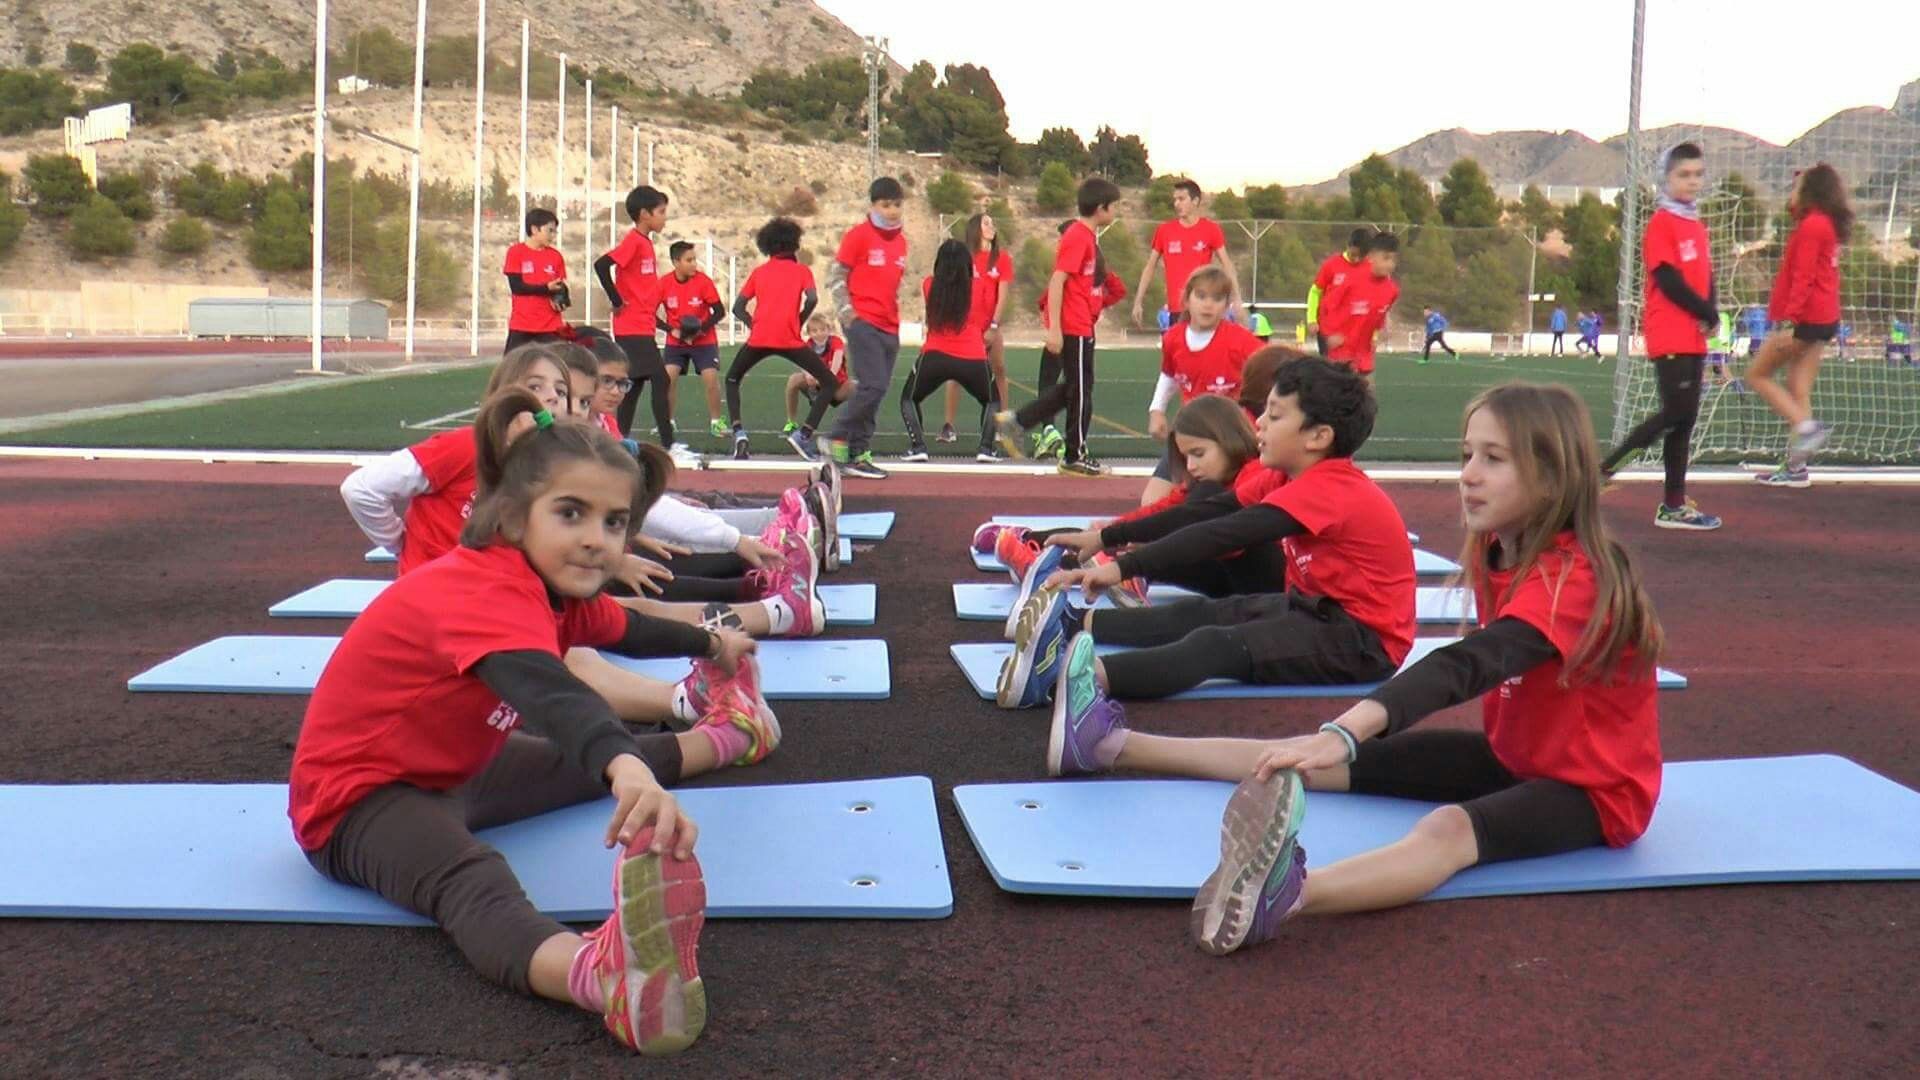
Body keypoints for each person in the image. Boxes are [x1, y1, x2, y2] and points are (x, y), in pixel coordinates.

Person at [1043, 381, 1664, 957]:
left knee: (1448, 829)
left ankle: (1284, 896)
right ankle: (1112, 745)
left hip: (1594, 792)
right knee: (1296, 757)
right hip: (1516, 756)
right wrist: (1333, 741)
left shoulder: (1573, 577)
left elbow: (1469, 665)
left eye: (1493, 459)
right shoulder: (1506, 549)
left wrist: (1348, 727)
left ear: (1553, 478)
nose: (1468, 475)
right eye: (1468, 454)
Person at [291, 388, 769, 1056]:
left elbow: (627, 627)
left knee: (595, 762)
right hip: (358, 803)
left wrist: (711, 646)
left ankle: (729, 735)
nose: (595, 540)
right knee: (472, 880)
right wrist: (623, 766)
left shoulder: (555, 589)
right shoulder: (482, 589)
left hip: (456, 770)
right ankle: (601, 981)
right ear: (514, 516)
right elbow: (550, 694)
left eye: (613, 522)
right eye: (571, 513)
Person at [998, 358, 1415, 708]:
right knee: (1199, 614)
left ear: (1319, 437)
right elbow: (1207, 511)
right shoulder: (1284, 476)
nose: (1260, 426)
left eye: (1275, 415)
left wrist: (1124, 566)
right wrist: (1107, 539)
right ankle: (1071, 625)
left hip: (1363, 642)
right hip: (1314, 610)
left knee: (1216, 646)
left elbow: (1224, 533)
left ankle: (1057, 684)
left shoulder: (1331, 487)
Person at [341, 344, 575, 576]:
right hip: (434, 593)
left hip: (491, 593)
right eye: (535, 386)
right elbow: (361, 489)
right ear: (504, 397)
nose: (553, 396)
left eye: (562, 391)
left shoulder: (553, 469)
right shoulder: (466, 446)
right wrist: (399, 544)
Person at [1599, 142, 1722, 531]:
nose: (1692, 181)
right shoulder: (1662, 223)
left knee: (1684, 421)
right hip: (1670, 332)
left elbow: (1706, 277)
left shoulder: (1697, 226)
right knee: (1676, 413)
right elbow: (1667, 279)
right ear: (1666, 179)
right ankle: (1601, 471)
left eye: (1697, 174)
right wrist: (1704, 310)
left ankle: (1673, 504)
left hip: (1694, 337)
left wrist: (1711, 312)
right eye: (1683, 174)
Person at [996, 178, 1124, 476]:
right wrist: (1054, 329)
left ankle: (1017, 421)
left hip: (1082, 326)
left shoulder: (1088, 238)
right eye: (1114, 206)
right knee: (1079, 392)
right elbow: (1058, 281)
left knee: (1076, 388)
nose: (1116, 211)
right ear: (1100, 207)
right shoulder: (1078, 236)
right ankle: (1074, 455)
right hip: (1073, 326)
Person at [1748, 163, 1851, 488]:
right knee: (1798, 388)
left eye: (1798, 185)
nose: (1792, 191)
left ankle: (1805, 428)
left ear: (1811, 190)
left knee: (1756, 375)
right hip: (1823, 318)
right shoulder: (1824, 224)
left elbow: (1803, 277)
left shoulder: (1812, 225)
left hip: (1807, 319)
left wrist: (1791, 321)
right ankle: (1796, 468)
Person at [1140, 266, 1262, 505]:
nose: (1208, 305)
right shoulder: (1173, 338)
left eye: (1217, 299)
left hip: (1229, 439)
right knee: (1151, 502)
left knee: (1215, 503)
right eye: (1201, 296)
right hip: (1190, 434)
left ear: (1227, 305)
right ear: (1186, 299)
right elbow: (1169, 374)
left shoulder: (1241, 342)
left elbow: (1269, 369)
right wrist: (1156, 411)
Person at [722, 218, 836, 462]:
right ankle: (803, 435)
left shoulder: (759, 272)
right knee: (829, 383)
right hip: (790, 339)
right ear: (794, 244)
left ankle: (739, 433)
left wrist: (756, 325)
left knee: (732, 379)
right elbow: (813, 299)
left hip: (759, 339)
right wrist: (799, 320)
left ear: (767, 246)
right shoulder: (802, 271)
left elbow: (737, 307)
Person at [820, 177, 909, 479]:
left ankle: (857, 453)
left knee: (875, 391)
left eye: (897, 204)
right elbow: (835, 276)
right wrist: (848, 313)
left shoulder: (901, 242)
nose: (892, 211)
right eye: (886, 205)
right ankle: (835, 437)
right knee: (874, 385)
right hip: (863, 322)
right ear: (873, 205)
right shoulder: (858, 236)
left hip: (889, 326)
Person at [900, 239, 1001, 462]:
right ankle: (986, 448)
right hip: (973, 356)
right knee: (993, 400)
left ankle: (918, 447)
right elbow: (985, 320)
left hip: (934, 354)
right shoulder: (981, 285)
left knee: (908, 398)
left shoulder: (929, 284)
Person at [594, 186, 672, 446]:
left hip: (642, 324)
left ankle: (618, 439)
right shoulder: (634, 241)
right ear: (644, 214)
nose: (664, 217)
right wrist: (616, 300)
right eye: (661, 212)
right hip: (632, 324)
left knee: (635, 384)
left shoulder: (645, 242)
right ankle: (669, 445)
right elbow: (602, 265)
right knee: (660, 378)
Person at [940, 212, 1015, 447]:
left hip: (989, 326)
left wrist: (994, 325)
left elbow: (1002, 294)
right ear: (975, 228)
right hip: (965, 327)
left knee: (999, 370)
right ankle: (948, 426)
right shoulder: (964, 257)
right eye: (986, 222)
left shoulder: (1001, 259)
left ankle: (1002, 425)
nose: (992, 226)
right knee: (956, 375)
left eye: (992, 222)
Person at [1134, 179, 1241, 329]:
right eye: (1175, 200)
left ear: (1195, 201)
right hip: (1176, 310)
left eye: (1181, 199)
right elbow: (1150, 267)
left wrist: (1236, 298)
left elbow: (1227, 264)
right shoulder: (1165, 231)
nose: (1177, 204)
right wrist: (1138, 301)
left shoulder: (1211, 229)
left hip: (1202, 309)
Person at [658, 242, 729, 443]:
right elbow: (650, 314)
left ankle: (716, 422)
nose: (694, 264)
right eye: (689, 260)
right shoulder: (663, 284)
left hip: (704, 341)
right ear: (675, 262)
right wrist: (672, 330)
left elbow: (719, 311)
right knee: (668, 378)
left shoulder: (703, 282)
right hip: (676, 341)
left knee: (710, 379)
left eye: (694, 259)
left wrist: (700, 330)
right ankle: (668, 422)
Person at [1321, 233, 1400, 382]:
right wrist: (1329, 333)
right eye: (1386, 258)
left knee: (1366, 401)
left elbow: (1379, 317)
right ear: (1370, 257)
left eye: (1394, 259)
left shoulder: (1392, 290)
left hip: (1365, 360)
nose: (1390, 264)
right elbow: (1326, 305)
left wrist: (1381, 331)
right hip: (1341, 357)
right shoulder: (1350, 279)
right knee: (1338, 400)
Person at [503, 209, 570, 353]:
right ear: (534, 229)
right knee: (511, 370)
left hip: (551, 326)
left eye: (555, 231)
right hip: (522, 325)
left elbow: (561, 285)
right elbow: (517, 287)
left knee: (558, 367)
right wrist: (546, 289)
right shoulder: (516, 252)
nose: (553, 236)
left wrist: (562, 298)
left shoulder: (556, 256)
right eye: (550, 231)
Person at [1308, 228, 1372, 356]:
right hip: (1328, 328)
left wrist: (1373, 332)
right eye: (1353, 254)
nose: (1356, 259)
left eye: (1360, 256)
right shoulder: (1331, 265)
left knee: (1354, 370)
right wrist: (1311, 319)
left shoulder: (1369, 268)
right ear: (1348, 246)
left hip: (1355, 331)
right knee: (1330, 369)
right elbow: (1315, 292)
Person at [785, 314, 850, 437]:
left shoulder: (836, 341)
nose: (819, 333)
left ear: (828, 330)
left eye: (822, 330)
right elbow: (803, 362)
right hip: (816, 384)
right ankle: (791, 421)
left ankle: (850, 427)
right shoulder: (808, 344)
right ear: (809, 333)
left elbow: (837, 360)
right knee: (794, 379)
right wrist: (808, 375)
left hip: (836, 385)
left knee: (858, 388)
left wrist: (827, 378)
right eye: (814, 331)